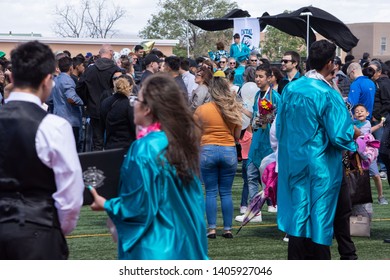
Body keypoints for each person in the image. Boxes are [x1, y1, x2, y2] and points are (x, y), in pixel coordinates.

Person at [89, 73, 208, 260]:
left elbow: (138, 206)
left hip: (156, 248)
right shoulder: (180, 141)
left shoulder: (144, 148)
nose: (133, 103)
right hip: (186, 243)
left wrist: (106, 204)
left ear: (147, 109)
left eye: (137, 99)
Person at [0, 40, 84, 259]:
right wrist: (55, 228)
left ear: (12, 77)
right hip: (38, 231)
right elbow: (71, 195)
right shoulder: (54, 126)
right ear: (48, 79)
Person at [276, 39, 358, 260]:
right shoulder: (328, 93)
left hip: (295, 162)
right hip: (322, 166)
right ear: (330, 63)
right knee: (320, 217)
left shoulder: (291, 88)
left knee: (299, 214)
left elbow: (280, 126)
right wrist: (356, 138)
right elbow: (340, 136)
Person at [194, 72, 242, 239]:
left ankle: (212, 229)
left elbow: (194, 133)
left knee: (211, 192)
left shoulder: (202, 109)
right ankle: (227, 229)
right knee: (226, 192)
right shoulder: (233, 108)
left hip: (207, 150)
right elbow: (237, 136)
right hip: (228, 150)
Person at [235, 64, 280, 223]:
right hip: (257, 140)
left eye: (261, 76)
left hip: (269, 143)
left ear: (269, 77)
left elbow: (278, 120)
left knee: (271, 179)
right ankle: (255, 212)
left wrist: (267, 119)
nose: (258, 79)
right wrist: (240, 108)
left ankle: (278, 207)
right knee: (251, 174)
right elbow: (254, 115)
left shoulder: (275, 97)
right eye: (257, 76)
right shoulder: (257, 96)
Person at [77, 44, 121, 151]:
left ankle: (98, 164)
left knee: (97, 141)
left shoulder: (90, 70)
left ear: (100, 54)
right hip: (112, 109)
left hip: (94, 109)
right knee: (112, 140)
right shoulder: (116, 70)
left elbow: (79, 87)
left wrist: (87, 101)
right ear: (110, 52)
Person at [352, 104, 388, 204]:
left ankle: (381, 196)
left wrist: (379, 126)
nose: (359, 112)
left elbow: (369, 130)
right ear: (354, 115)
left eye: (361, 111)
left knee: (376, 175)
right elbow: (357, 134)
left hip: (369, 154)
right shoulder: (353, 124)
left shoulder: (367, 122)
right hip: (358, 154)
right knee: (358, 176)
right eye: (357, 112)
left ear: (367, 113)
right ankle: (358, 197)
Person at [51, 56, 84, 147]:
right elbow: (72, 98)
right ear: (71, 68)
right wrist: (82, 102)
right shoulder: (67, 80)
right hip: (69, 119)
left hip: (58, 117)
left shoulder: (56, 79)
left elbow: (49, 99)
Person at [100, 74, 136, 151]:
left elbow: (102, 124)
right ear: (131, 87)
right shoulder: (129, 104)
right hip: (127, 146)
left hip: (110, 145)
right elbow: (134, 126)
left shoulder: (105, 102)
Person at [370, 60, 390, 181]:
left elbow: (387, 102)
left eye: (372, 70)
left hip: (381, 118)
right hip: (377, 116)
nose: (370, 72)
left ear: (379, 71)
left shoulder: (383, 83)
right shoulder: (375, 83)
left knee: (381, 142)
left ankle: (383, 169)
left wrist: (379, 116)